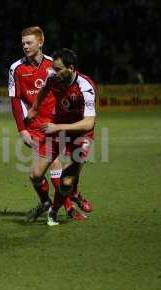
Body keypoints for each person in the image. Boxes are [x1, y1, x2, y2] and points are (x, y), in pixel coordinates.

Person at [9, 27, 90, 222]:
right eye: (23, 43)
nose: (25, 46)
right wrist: (22, 129)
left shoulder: (53, 65)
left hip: (58, 122)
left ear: (41, 42)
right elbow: (15, 100)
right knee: (53, 163)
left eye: (29, 43)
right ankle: (68, 208)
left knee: (72, 162)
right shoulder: (16, 68)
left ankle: (66, 197)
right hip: (37, 126)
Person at [27, 48, 96, 226]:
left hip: (81, 134)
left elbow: (89, 123)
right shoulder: (53, 78)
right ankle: (50, 200)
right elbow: (43, 90)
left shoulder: (86, 87)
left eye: (58, 69)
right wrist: (34, 108)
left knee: (66, 183)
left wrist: (56, 126)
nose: (53, 72)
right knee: (35, 174)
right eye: (53, 68)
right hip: (58, 128)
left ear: (71, 68)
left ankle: (55, 210)